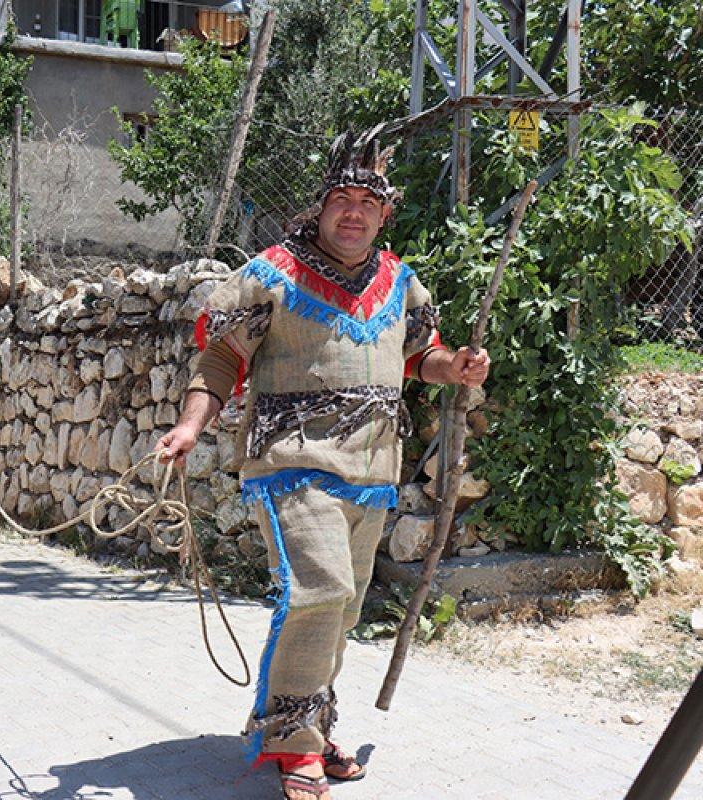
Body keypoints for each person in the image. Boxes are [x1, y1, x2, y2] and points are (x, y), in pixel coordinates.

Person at [156, 130, 490, 800]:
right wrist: (191, 424)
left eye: (368, 202)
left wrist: (454, 368)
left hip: (372, 474)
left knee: (344, 607)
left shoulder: (401, 282)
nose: (354, 212)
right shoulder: (272, 273)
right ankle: (295, 747)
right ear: (322, 205)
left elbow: (418, 357)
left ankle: (309, 719)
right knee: (320, 589)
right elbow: (221, 357)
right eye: (342, 198)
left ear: (384, 214)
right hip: (292, 462)